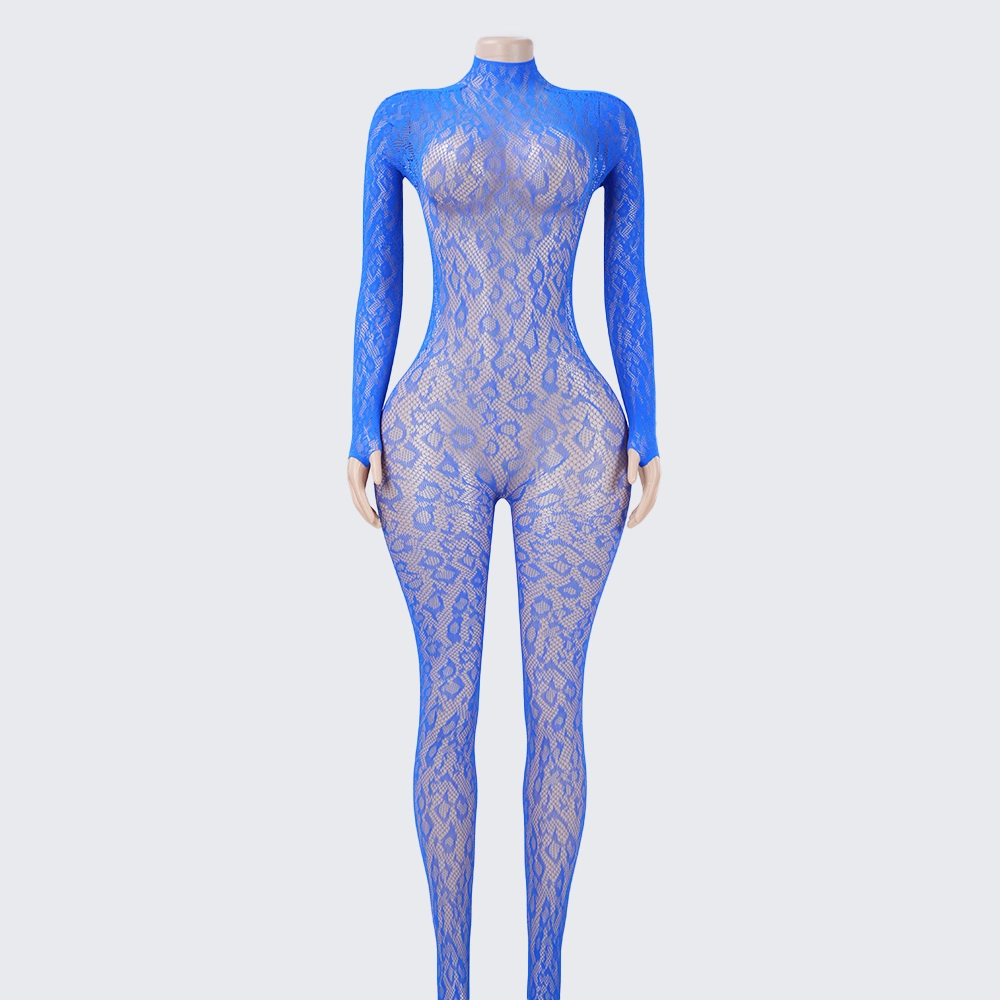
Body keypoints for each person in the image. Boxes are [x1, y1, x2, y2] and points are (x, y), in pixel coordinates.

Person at [346, 35, 660, 1000]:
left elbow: (626, 281)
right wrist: (359, 422)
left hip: (574, 428)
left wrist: (649, 426)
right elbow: (379, 281)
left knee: (555, 710)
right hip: (432, 426)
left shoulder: (606, 121)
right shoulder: (401, 120)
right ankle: (451, 984)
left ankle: (545, 985)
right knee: (447, 707)